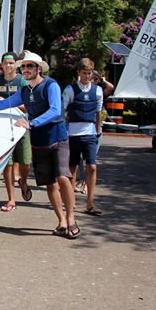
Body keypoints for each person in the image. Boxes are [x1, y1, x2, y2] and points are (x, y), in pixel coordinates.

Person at [0, 51, 78, 238]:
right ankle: (61, 220)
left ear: (38, 68)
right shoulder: (25, 91)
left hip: (58, 138)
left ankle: (71, 218)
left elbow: (55, 110)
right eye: (24, 67)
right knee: (50, 184)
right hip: (40, 142)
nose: (26, 69)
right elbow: (2, 104)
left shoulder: (50, 85)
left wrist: (31, 123)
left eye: (30, 66)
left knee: (62, 177)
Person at [62, 58, 103, 216]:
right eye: (84, 73)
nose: (87, 76)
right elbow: (63, 110)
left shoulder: (97, 91)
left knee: (92, 167)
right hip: (72, 133)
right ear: (78, 73)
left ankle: (90, 203)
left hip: (90, 133)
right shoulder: (70, 90)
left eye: (90, 73)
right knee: (72, 168)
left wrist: (98, 128)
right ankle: (70, 202)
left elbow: (98, 111)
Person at [0, 52, 32, 212]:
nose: (8, 66)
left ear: (15, 65)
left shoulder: (21, 81)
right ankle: (11, 199)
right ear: (1, 65)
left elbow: (28, 105)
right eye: (5, 63)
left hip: (20, 124)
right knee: (7, 165)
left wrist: (10, 104)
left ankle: (23, 180)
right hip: (1, 126)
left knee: (25, 161)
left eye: (11, 63)